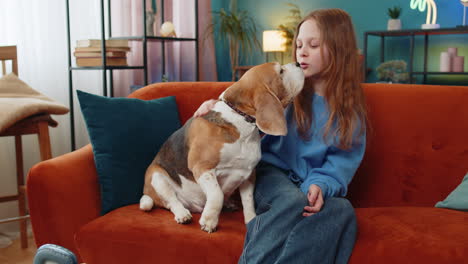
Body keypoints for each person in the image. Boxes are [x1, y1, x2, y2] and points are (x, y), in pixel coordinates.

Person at [194, 8, 367, 264]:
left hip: (309, 184)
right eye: (298, 45)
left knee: (342, 211)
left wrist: (320, 185)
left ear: (338, 49)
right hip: (269, 175)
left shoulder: (349, 113)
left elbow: (340, 164)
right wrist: (215, 107)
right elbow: (246, 102)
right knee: (290, 201)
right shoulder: (287, 90)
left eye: (313, 44)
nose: (302, 52)